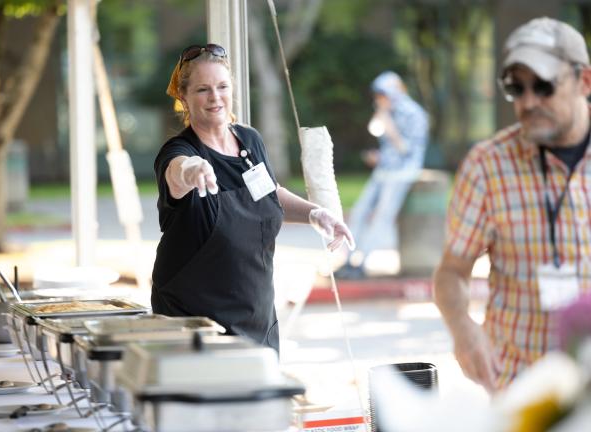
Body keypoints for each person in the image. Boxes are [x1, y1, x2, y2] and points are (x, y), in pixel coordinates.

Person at [151, 43, 354, 353]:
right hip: (193, 322)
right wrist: (192, 170)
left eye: (222, 86)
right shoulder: (180, 152)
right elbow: (176, 175)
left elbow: (269, 195)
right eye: (203, 89)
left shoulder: (249, 140)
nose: (215, 97)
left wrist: (315, 214)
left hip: (256, 314)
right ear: (184, 97)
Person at [433, 17, 591, 392]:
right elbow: (451, 272)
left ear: (585, 81)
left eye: (543, 86)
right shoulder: (487, 165)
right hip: (523, 387)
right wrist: (463, 329)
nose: (528, 102)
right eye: (516, 89)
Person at [336, 71, 429, 279]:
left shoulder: (413, 114)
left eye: (382, 95)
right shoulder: (386, 111)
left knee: (381, 217)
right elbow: (379, 136)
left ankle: (363, 263)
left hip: (401, 174)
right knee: (360, 212)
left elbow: (407, 150)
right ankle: (348, 259)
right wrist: (377, 156)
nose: (379, 100)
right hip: (384, 170)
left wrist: (388, 122)